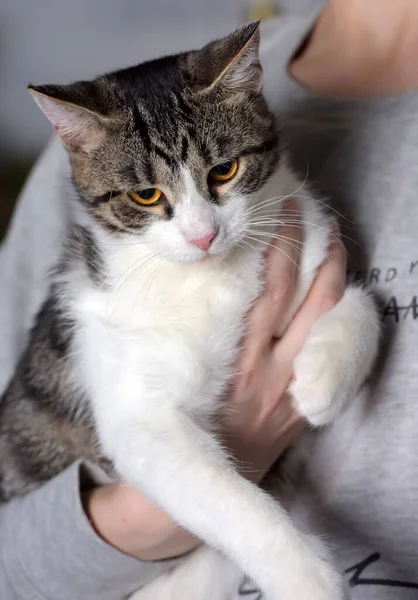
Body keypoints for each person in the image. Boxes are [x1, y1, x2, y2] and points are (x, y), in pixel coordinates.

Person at [0, 0, 417, 597]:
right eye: (149, 199)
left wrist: (351, 326)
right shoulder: (109, 283)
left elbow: (338, 302)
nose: (201, 231)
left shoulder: (285, 208)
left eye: (221, 174)